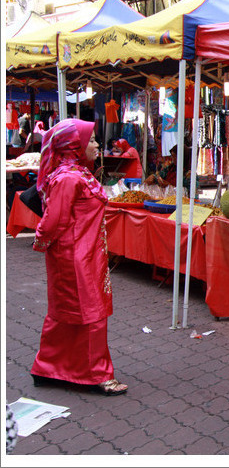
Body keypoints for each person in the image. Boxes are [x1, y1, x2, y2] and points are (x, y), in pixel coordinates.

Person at [30, 119, 128, 396]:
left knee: (67, 314)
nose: (97, 145)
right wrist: (40, 242)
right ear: (75, 146)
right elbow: (52, 222)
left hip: (85, 254)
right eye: (92, 141)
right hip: (74, 258)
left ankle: (48, 367)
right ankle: (97, 373)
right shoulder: (68, 178)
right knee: (90, 313)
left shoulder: (78, 174)